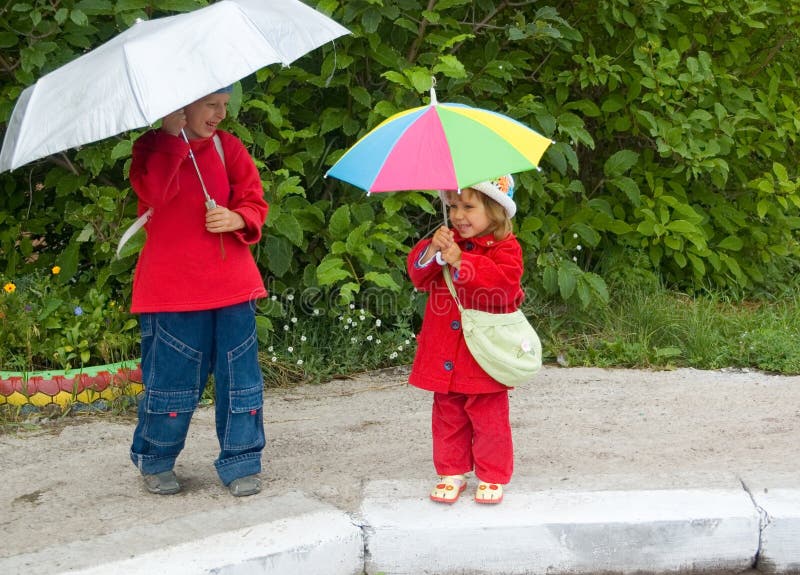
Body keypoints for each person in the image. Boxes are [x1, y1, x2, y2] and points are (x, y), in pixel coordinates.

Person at [128, 86, 269, 497]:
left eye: (225, 105)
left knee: (241, 379)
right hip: (171, 292)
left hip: (232, 287)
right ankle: (155, 459)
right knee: (171, 381)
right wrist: (171, 140)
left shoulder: (229, 148)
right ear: (181, 105)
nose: (221, 114)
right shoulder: (151, 148)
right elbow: (154, 194)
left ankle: (242, 459)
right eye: (211, 105)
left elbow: (253, 200)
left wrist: (238, 218)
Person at [406, 174, 523, 505]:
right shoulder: (446, 240)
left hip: (483, 352)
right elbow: (417, 275)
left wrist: (462, 260)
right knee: (447, 412)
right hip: (445, 346)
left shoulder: (506, 248)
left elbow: (505, 287)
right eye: (453, 205)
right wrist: (434, 250)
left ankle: (491, 473)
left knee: (489, 416)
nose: (458, 215)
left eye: (469, 206)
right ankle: (451, 470)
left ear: (496, 210)